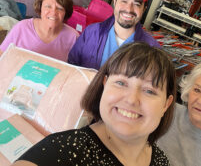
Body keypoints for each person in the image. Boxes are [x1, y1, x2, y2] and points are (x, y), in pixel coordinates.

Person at [12, 42, 176, 166]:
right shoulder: (64, 151)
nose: (132, 99)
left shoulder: (161, 161)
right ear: (104, 84)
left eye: (149, 91)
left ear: (166, 105)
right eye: (121, 83)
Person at [68, 0, 161, 70]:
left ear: (144, 9)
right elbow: (72, 66)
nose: (129, 9)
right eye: (124, 1)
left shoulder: (152, 49)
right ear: (115, 2)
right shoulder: (91, 32)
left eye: (137, 4)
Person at [0, 0, 79, 62]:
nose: (53, 12)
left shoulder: (73, 37)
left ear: (66, 12)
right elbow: (0, 58)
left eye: (60, 8)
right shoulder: (22, 27)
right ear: (40, 7)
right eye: (48, 6)